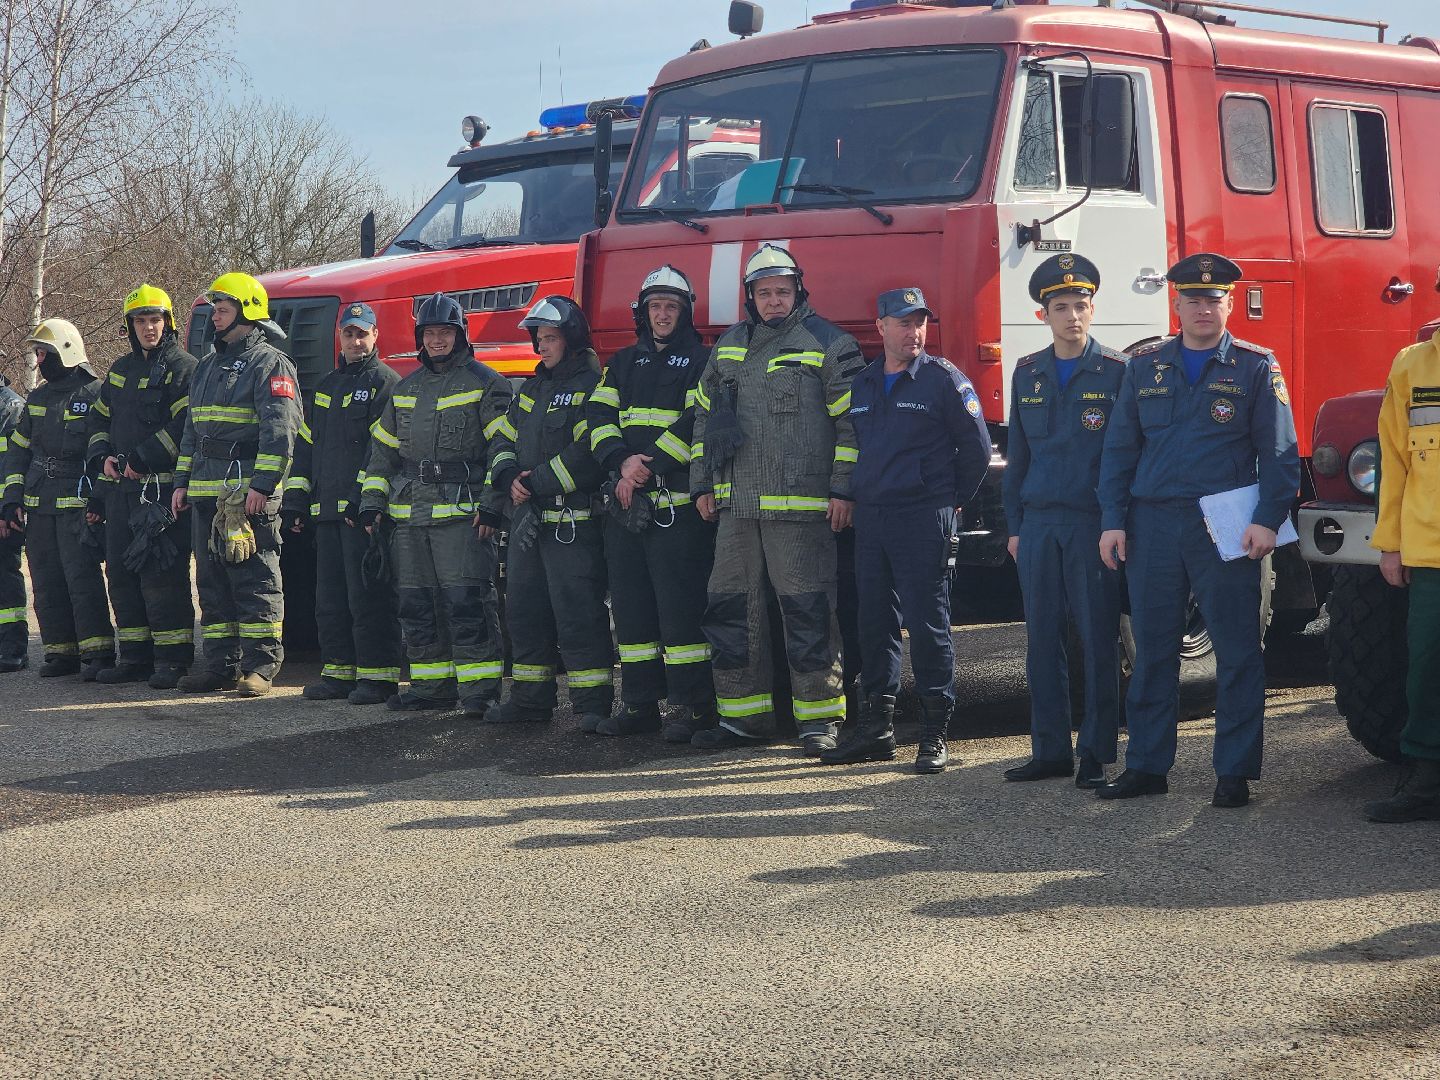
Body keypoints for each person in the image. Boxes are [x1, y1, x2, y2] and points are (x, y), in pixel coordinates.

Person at [1097, 253, 1299, 808]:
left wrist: (1267, 520)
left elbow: (1280, 453)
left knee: (1236, 649)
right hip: (1154, 522)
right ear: (1177, 304)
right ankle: (1146, 764)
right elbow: (1119, 450)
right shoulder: (1145, 368)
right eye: (1194, 299)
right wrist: (1113, 521)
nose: (1204, 309)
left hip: (1226, 526)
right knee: (1154, 650)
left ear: (1230, 305)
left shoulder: (1256, 367)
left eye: (1214, 300)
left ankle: (1233, 772)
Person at [689, 243, 864, 754]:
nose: (773, 301)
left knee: (807, 610)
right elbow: (702, 418)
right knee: (729, 610)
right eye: (764, 293)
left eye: (782, 292)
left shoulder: (829, 344)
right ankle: (744, 719)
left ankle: (820, 720)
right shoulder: (727, 347)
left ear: (798, 292)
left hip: (801, 507)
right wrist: (702, 483)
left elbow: (852, 426)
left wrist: (842, 490)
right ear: (751, 297)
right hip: (736, 508)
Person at [819, 287, 991, 773]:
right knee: (874, 623)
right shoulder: (867, 382)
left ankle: (934, 733)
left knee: (928, 623)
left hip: (924, 517)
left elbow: (976, 452)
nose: (912, 331)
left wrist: (947, 499)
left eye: (919, 322)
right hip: (873, 518)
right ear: (880, 328)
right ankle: (877, 729)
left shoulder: (943, 381)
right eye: (902, 322)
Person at [1001, 254, 1127, 787]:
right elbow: (1018, 457)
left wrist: (1116, 522)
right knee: (1041, 640)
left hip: (1091, 525)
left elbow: (1125, 457)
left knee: (1099, 640)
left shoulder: (1119, 372)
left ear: (1093, 310)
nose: (1072, 315)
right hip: (1038, 527)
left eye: (1080, 306)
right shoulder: (1026, 372)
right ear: (1043, 315)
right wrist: (1013, 526)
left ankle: (1096, 752)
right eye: (1060, 307)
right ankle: (1050, 749)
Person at [359, 293, 512, 715]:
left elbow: (503, 450)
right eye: (430, 333)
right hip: (408, 517)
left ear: (460, 334)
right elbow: (383, 453)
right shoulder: (406, 389)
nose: (437, 340)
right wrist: (372, 503)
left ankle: (479, 691)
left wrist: (493, 504)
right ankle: (431, 687)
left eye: (445, 331)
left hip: (463, 516)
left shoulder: (486, 383)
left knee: (467, 603)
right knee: (416, 604)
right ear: (420, 338)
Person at [587, 266, 717, 742]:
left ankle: (691, 707)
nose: (662, 315)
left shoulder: (705, 361)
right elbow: (597, 417)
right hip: (625, 507)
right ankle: (639, 703)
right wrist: (622, 461)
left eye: (671, 307)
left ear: (684, 313)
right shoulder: (621, 362)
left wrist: (647, 467)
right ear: (642, 313)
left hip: (676, 508)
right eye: (655, 307)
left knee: (680, 609)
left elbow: (698, 422)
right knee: (632, 608)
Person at [484, 295, 614, 727]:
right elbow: (501, 438)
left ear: (572, 338)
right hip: (528, 522)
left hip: (571, 524)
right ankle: (530, 700)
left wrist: (535, 482)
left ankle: (591, 705)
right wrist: (508, 479)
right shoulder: (534, 389)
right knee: (523, 610)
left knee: (577, 612)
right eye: (538, 339)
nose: (542, 347)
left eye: (550, 338)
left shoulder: (590, 385)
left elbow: (587, 453)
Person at [171, 273, 302, 697]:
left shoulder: (270, 363)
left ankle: (260, 667)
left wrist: (261, 486)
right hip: (207, 492)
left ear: (247, 311)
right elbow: (192, 430)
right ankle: (219, 665)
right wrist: (181, 482)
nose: (216, 315)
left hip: (246, 494)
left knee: (255, 579)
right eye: (214, 308)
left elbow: (279, 432)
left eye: (223, 308)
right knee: (211, 584)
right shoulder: (207, 365)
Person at [281, 302, 404, 705]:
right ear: (340, 337)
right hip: (326, 515)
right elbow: (307, 448)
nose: (355, 340)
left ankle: (377, 677)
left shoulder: (386, 383)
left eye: (362, 333)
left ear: (375, 336)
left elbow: (380, 451)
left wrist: (361, 500)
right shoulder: (327, 387)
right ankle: (337, 673)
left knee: (368, 597)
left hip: (361, 515)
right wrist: (297, 500)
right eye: (348, 333)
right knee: (330, 599)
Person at [85, 285, 198, 689]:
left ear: (168, 322)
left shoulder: (185, 367)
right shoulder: (119, 370)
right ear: (129, 326)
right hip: (120, 494)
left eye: (155, 320)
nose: (148, 328)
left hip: (161, 492)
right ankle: (135, 656)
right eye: (140, 321)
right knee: (121, 572)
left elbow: (186, 426)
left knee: (161, 575)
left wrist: (143, 456)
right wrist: (104, 459)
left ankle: (172, 660)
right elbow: (98, 422)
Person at [0, 319, 114, 679]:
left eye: (43, 353)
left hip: (77, 503)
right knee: (47, 581)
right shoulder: (37, 399)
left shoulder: (95, 393)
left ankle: (97, 653)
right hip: (39, 502)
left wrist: (99, 498)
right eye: (37, 353)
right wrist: (11, 497)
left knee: (81, 580)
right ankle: (60, 653)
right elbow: (18, 451)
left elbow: (102, 450)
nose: (39, 360)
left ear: (65, 350)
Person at [1365, 300, 1440, 823]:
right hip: (1430, 550)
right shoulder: (1411, 364)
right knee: (1426, 668)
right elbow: (1392, 459)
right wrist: (1389, 543)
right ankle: (1424, 778)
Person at [0, 373, 26, 672]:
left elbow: (12, 465)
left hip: (3, 514)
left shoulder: (10, 407)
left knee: (5, 579)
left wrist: (4, 510)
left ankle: (13, 648)